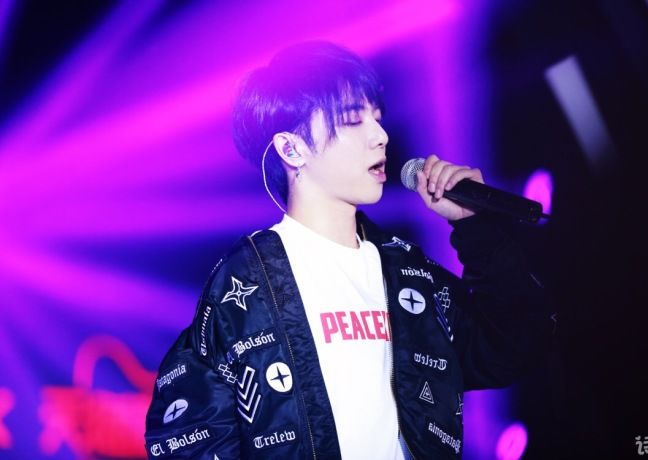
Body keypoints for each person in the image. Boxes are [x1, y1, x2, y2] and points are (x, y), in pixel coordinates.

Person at [144, 41, 552, 459]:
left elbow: (513, 345)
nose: (380, 136)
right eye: (353, 120)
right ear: (291, 149)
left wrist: (476, 227)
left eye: (377, 117)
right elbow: (184, 432)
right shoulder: (247, 282)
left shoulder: (405, 271)